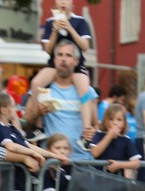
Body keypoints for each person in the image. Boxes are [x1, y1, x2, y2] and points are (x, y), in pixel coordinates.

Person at [25, 41, 99, 163]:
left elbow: (95, 124)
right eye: (60, 55)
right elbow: (27, 119)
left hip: (81, 159)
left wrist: (91, 132)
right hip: (51, 160)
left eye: (68, 55)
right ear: (54, 59)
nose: (63, 59)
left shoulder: (86, 91)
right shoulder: (44, 88)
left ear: (76, 61)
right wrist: (38, 112)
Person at [32, 0, 95, 142]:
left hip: (76, 66)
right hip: (54, 65)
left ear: (71, 3)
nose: (63, 3)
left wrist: (70, 28)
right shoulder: (49, 22)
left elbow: (85, 46)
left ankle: (86, 132)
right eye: (60, 0)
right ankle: (38, 127)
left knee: (84, 89)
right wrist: (54, 30)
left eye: (66, 0)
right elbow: (48, 50)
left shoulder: (80, 21)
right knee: (36, 83)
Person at [89, 103, 142, 179]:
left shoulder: (126, 140)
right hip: (98, 179)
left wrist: (119, 165)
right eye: (111, 119)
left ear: (124, 123)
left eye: (119, 120)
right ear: (105, 120)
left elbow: (136, 163)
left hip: (117, 182)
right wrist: (109, 136)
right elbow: (95, 153)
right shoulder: (99, 134)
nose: (114, 123)